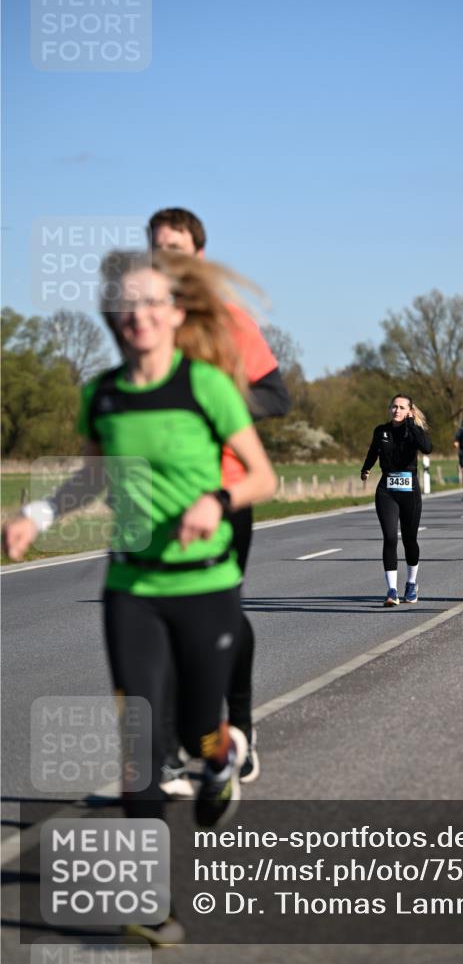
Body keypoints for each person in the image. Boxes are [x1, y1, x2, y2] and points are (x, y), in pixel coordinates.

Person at [3, 250, 277, 945]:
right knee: (139, 749)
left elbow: (262, 478)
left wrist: (217, 502)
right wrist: (36, 515)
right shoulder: (102, 393)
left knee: (196, 735)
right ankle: (151, 904)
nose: (139, 317)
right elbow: (92, 476)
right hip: (131, 592)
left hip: (206, 587)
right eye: (126, 306)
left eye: (153, 303)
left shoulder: (207, 387)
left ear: (176, 313)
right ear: (112, 318)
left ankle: (218, 761)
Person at [149, 207, 290, 789]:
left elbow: (275, 396)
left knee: (217, 616)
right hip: (158, 495)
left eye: (177, 246)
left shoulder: (231, 320)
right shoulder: (145, 321)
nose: (167, 256)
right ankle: (184, 750)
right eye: (157, 247)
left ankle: (239, 734)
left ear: (199, 255)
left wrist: (215, 410)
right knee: (160, 626)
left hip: (226, 488)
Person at [361, 395, 432, 605]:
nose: (396, 410)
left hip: (410, 490)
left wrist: (411, 424)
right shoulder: (381, 431)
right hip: (387, 490)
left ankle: (411, 583)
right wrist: (366, 468)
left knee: (410, 540)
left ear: (409, 410)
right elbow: (373, 451)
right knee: (390, 537)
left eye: (401, 407)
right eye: (394, 406)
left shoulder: (414, 431)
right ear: (389, 408)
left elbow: (427, 448)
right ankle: (391, 590)